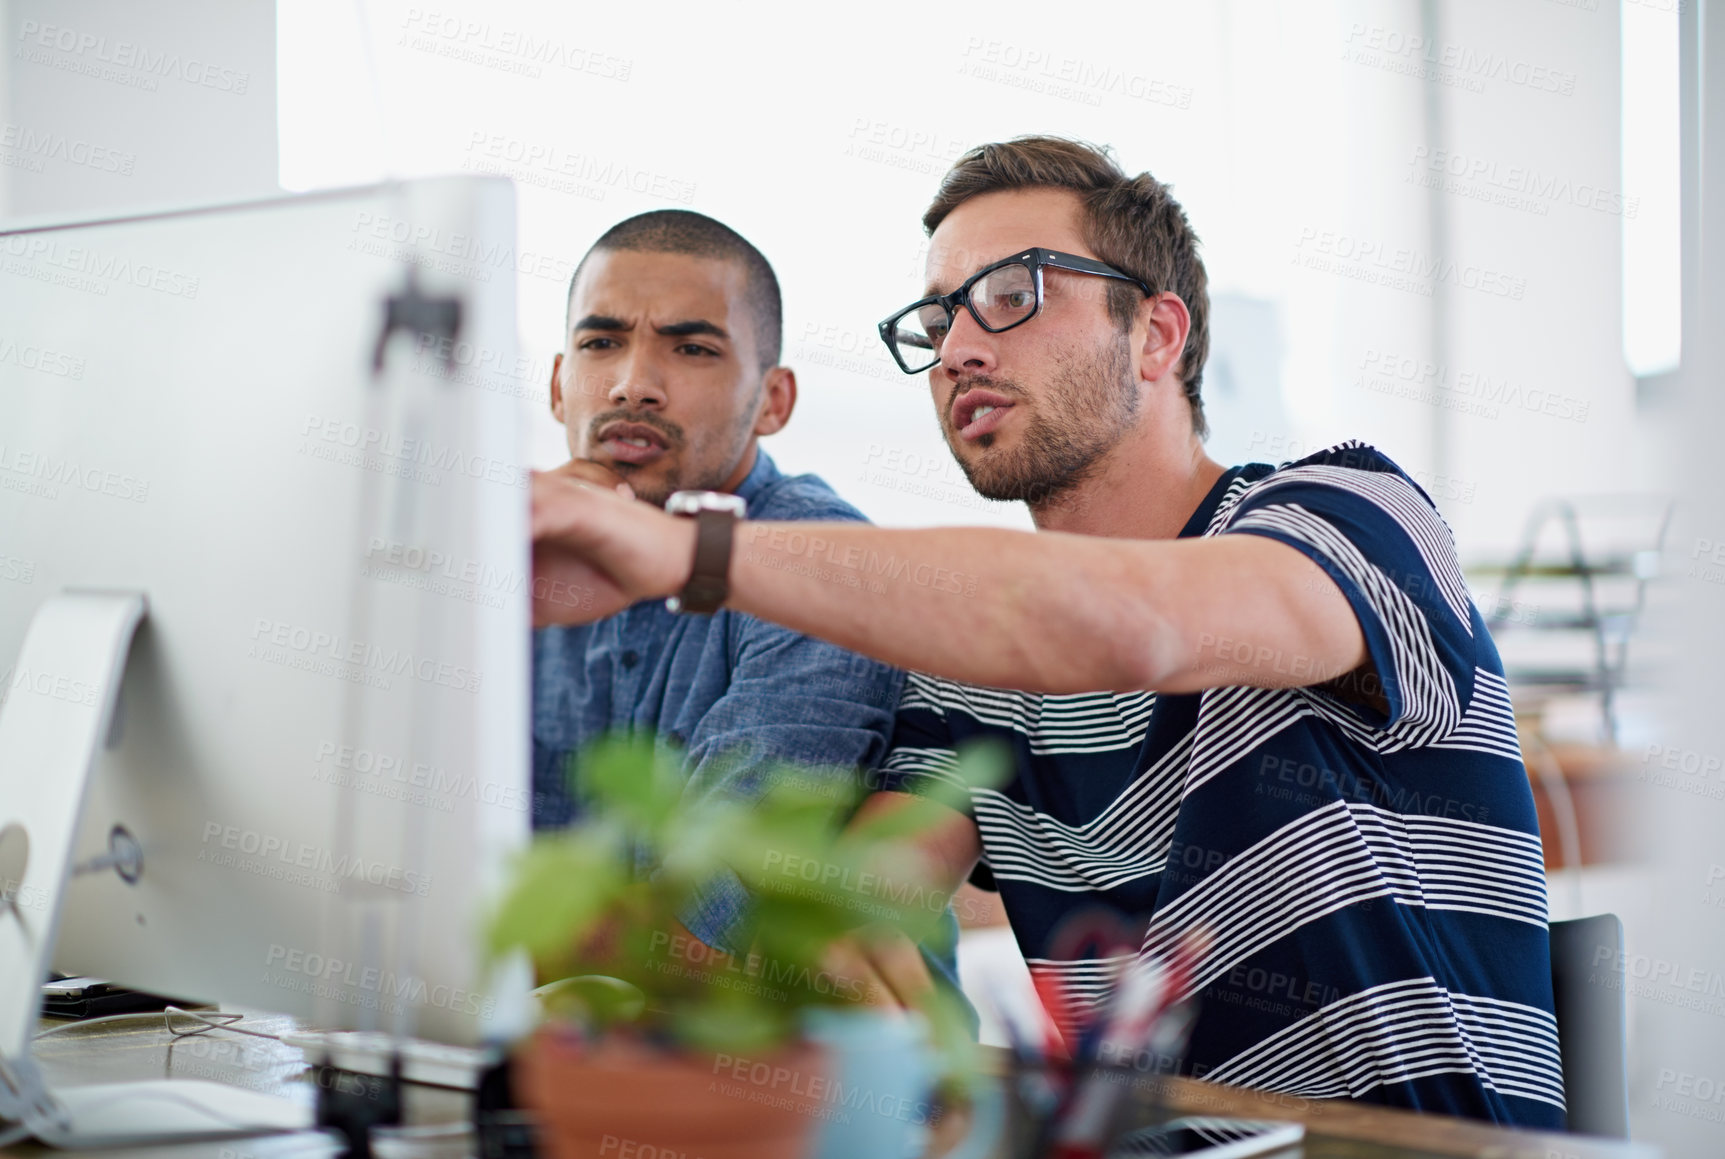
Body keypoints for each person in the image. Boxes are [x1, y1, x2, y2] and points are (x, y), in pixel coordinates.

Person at [527, 141, 1560, 1129]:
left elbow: (1140, 626)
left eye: (1012, 295)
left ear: (1156, 335)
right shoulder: (978, 678)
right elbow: (855, 905)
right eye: (937, 321)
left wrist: (679, 553)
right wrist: (823, 954)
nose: (959, 347)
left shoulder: (1347, 515)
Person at [533, 209, 928, 971]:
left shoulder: (823, 564)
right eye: (600, 342)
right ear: (557, 384)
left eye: (691, 348)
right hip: (548, 1049)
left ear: (773, 400)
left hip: (794, 1072)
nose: (633, 384)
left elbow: (704, 934)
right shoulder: (521, 553)